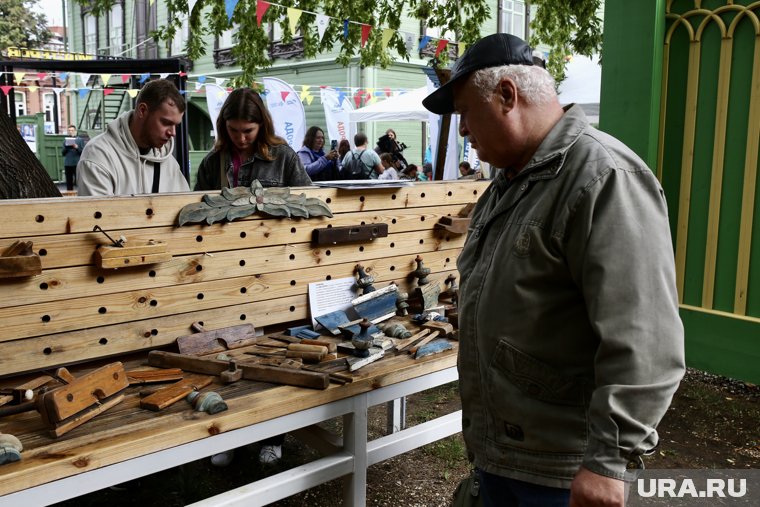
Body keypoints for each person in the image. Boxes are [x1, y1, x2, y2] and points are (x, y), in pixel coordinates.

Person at [423, 33, 685, 507]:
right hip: (507, 455)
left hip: (564, 469)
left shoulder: (602, 177)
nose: (462, 130)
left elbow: (647, 337)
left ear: (507, 95)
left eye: (465, 112)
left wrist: (609, 461)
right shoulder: (509, 184)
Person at [77, 79, 189, 196]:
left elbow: (186, 208)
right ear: (142, 110)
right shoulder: (98, 156)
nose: (173, 133)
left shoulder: (169, 162)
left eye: (175, 125)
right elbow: (98, 213)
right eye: (166, 122)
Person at [195, 88, 311, 190]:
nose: (241, 138)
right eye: (233, 130)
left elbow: (309, 202)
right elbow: (198, 208)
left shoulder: (285, 158)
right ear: (224, 126)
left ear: (262, 125)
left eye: (248, 131)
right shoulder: (211, 162)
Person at [62, 125, 85, 191]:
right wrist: (67, 147)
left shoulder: (80, 140)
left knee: (79, 180)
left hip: (76, 163)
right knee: (69, 181)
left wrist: (76, 147)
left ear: (75, 131)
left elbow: (82, 152)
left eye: (72, 130)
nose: (70, 132)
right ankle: (69, 195)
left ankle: (81, 193)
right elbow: (63, 153)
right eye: (69, 130)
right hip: (68, 163)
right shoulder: (65, 140)